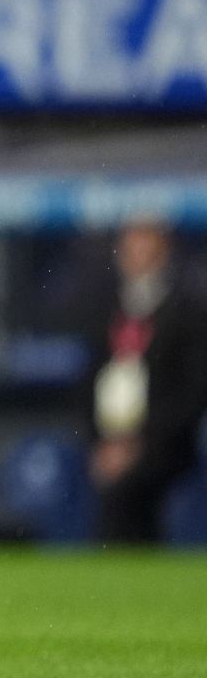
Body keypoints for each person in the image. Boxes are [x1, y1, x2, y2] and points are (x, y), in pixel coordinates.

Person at [90, 222, 207, 543]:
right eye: (130, 247)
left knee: (129, 494)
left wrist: (140, 441)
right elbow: (89, 379)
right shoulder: (109, 305)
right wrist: (103, 441)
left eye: (145, 247)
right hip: (109, 439)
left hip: (164, 443)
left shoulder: (185, 309)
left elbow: (190, 390)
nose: (136, 256)